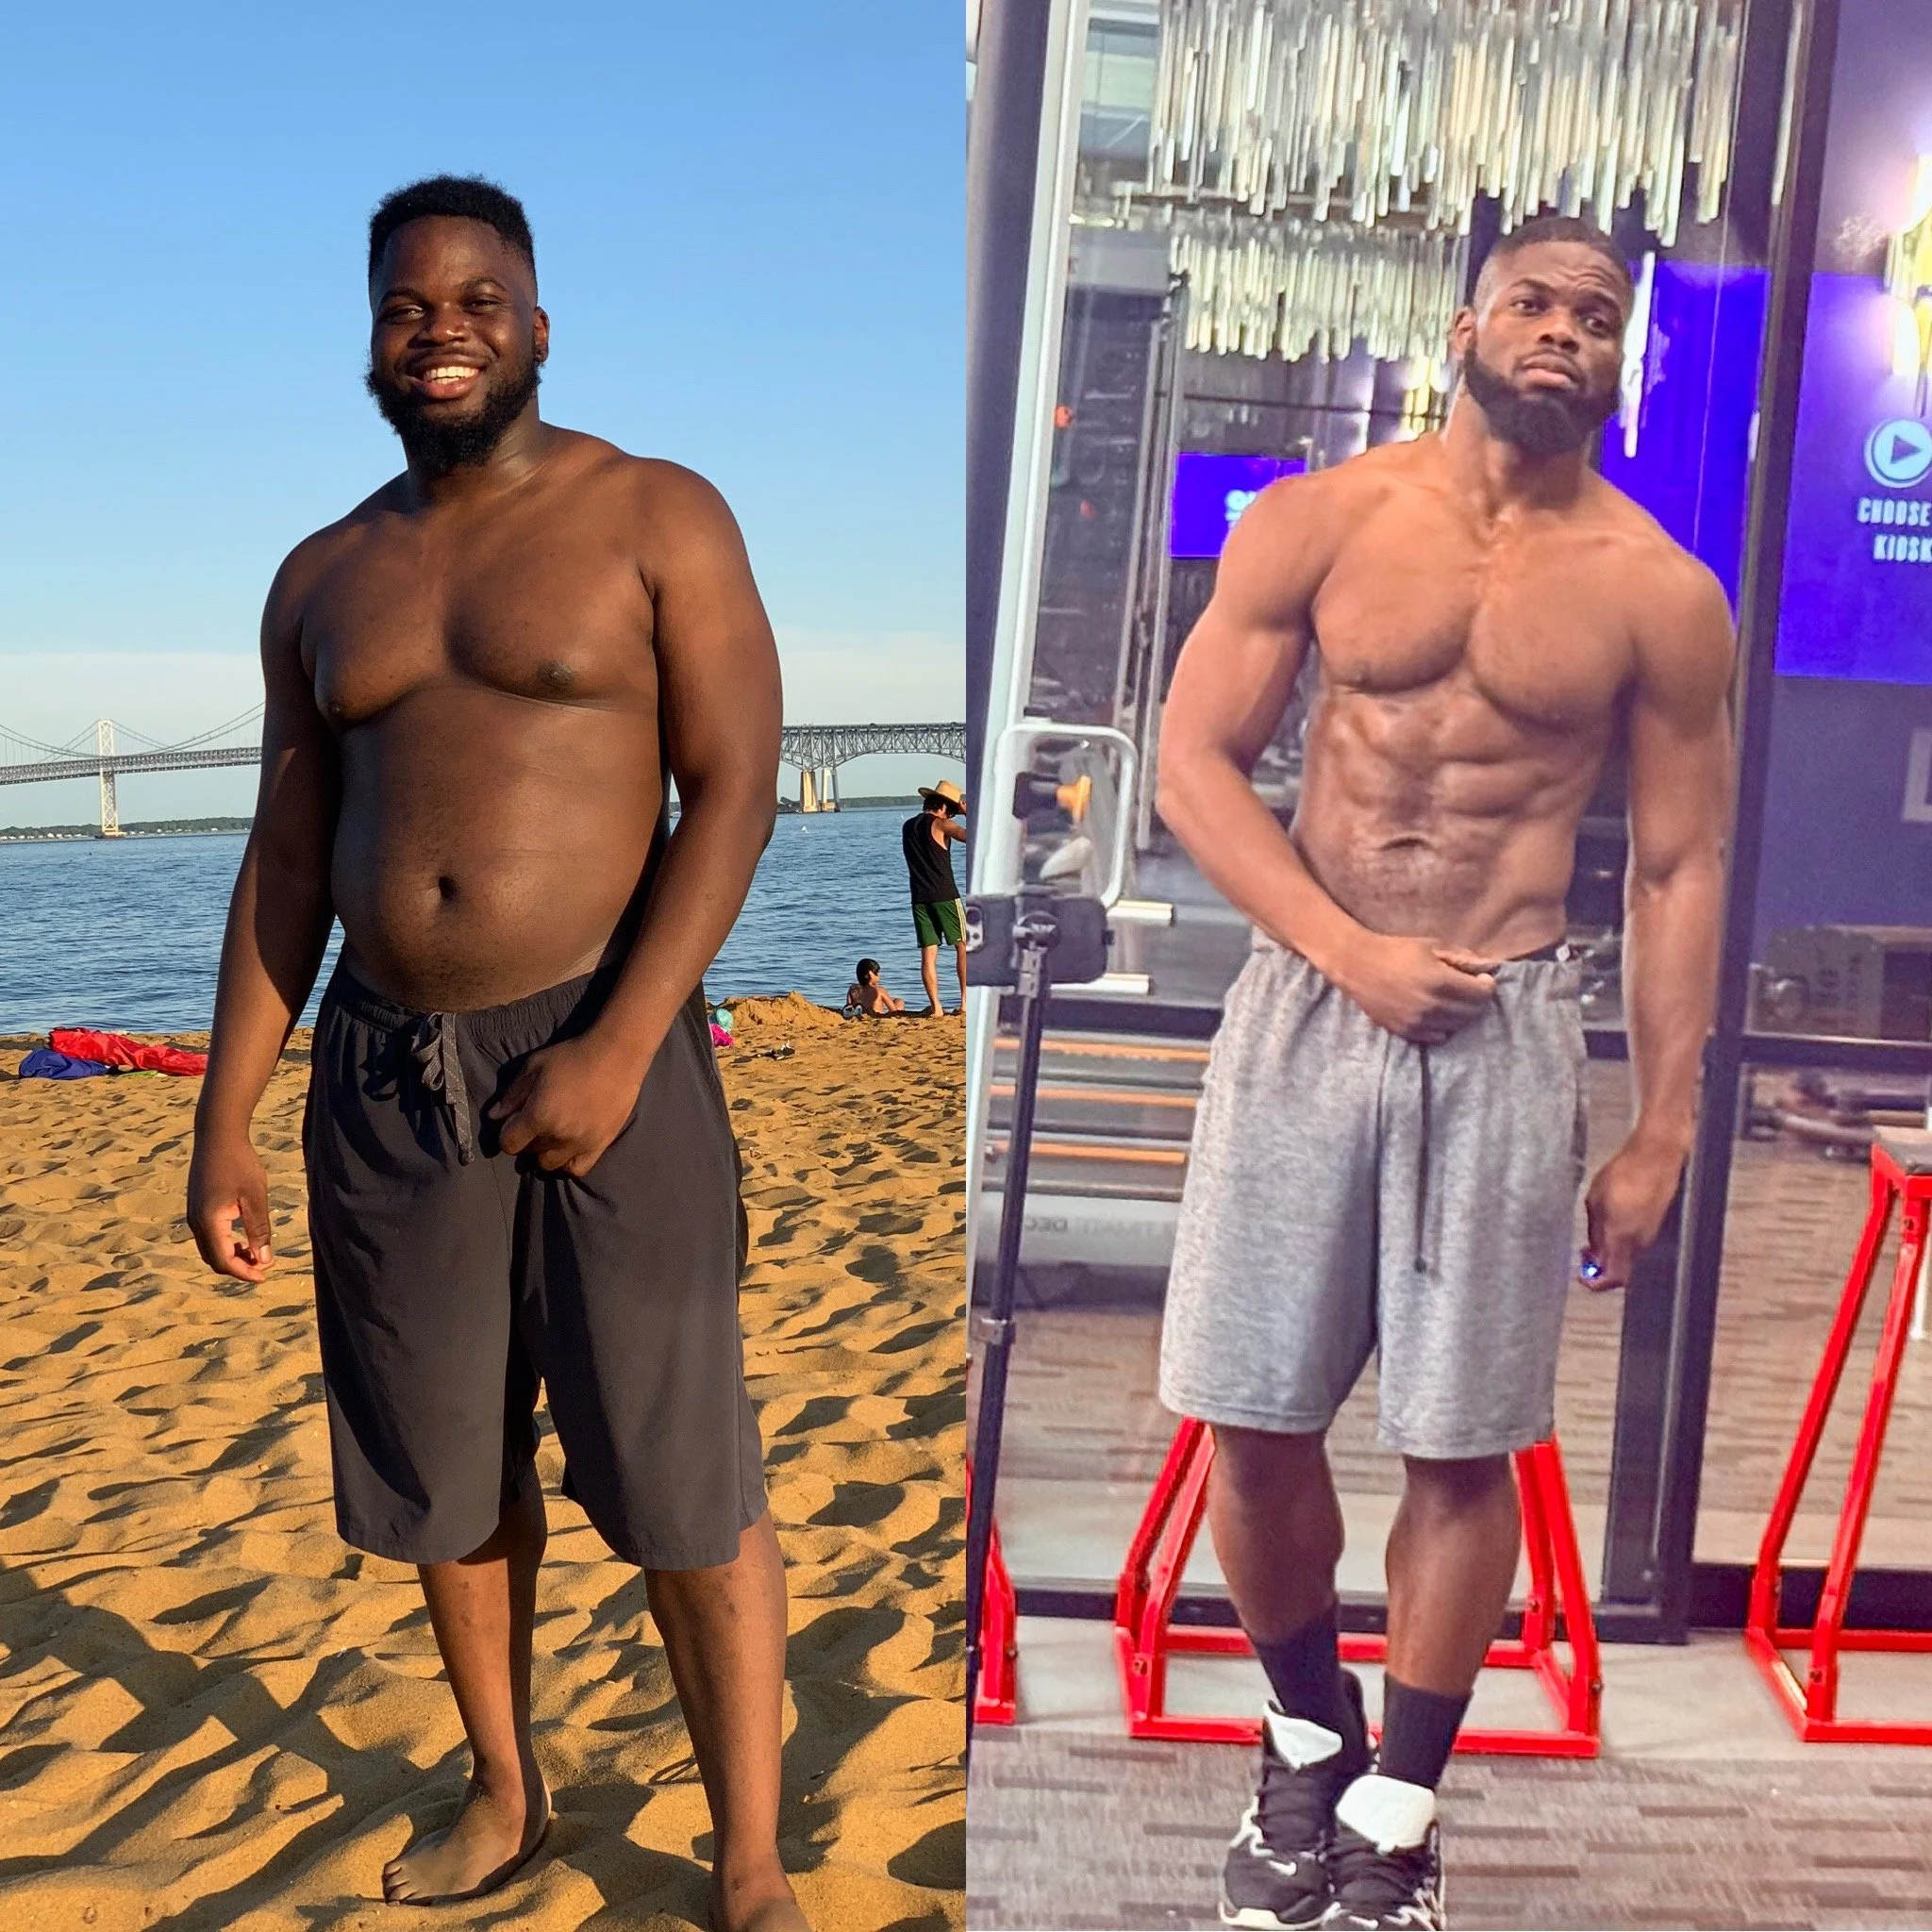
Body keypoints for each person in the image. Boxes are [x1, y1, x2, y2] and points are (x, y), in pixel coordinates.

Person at [184, 175, 807, 1931]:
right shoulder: (323, 576)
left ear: (537, 324)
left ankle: (746, 1858)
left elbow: (735, 784)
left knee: (684, 1467)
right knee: (447, 1469)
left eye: (475, 298)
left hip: (606, 1044)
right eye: (405, 304)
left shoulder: (654, 513)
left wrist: (619, 1040)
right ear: (372, 338)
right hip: (383, 1070)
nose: (439, 324)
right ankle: (508, 1789)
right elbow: (287, 857)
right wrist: (223, 1115)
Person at [1155, 214, 1733, 1932]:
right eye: (1537, 303)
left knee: (1457, 1445)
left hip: (1503, 1026)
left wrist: (1662, 1123)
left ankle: (1394, 1818)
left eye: (1597, 317)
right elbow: (1193, 767)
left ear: (1618, 358)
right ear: (1468, 321)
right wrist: (1345, 951)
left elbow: (1679, 869)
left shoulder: (1653, 587)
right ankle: (1302, 1748)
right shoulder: (1320, 522)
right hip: (1307, 1010)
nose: (1563, 332)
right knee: (1247, 1420)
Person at [903, 778, 969, 1015]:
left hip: (919, 897)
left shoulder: (908, 826)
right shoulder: (942, 825)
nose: (951, 815)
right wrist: (967, 813)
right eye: (951, 810)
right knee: (963, 946)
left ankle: (936, 1006)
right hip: (945, 894)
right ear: (943, 807)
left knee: (929, 953)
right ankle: (964, 1003)